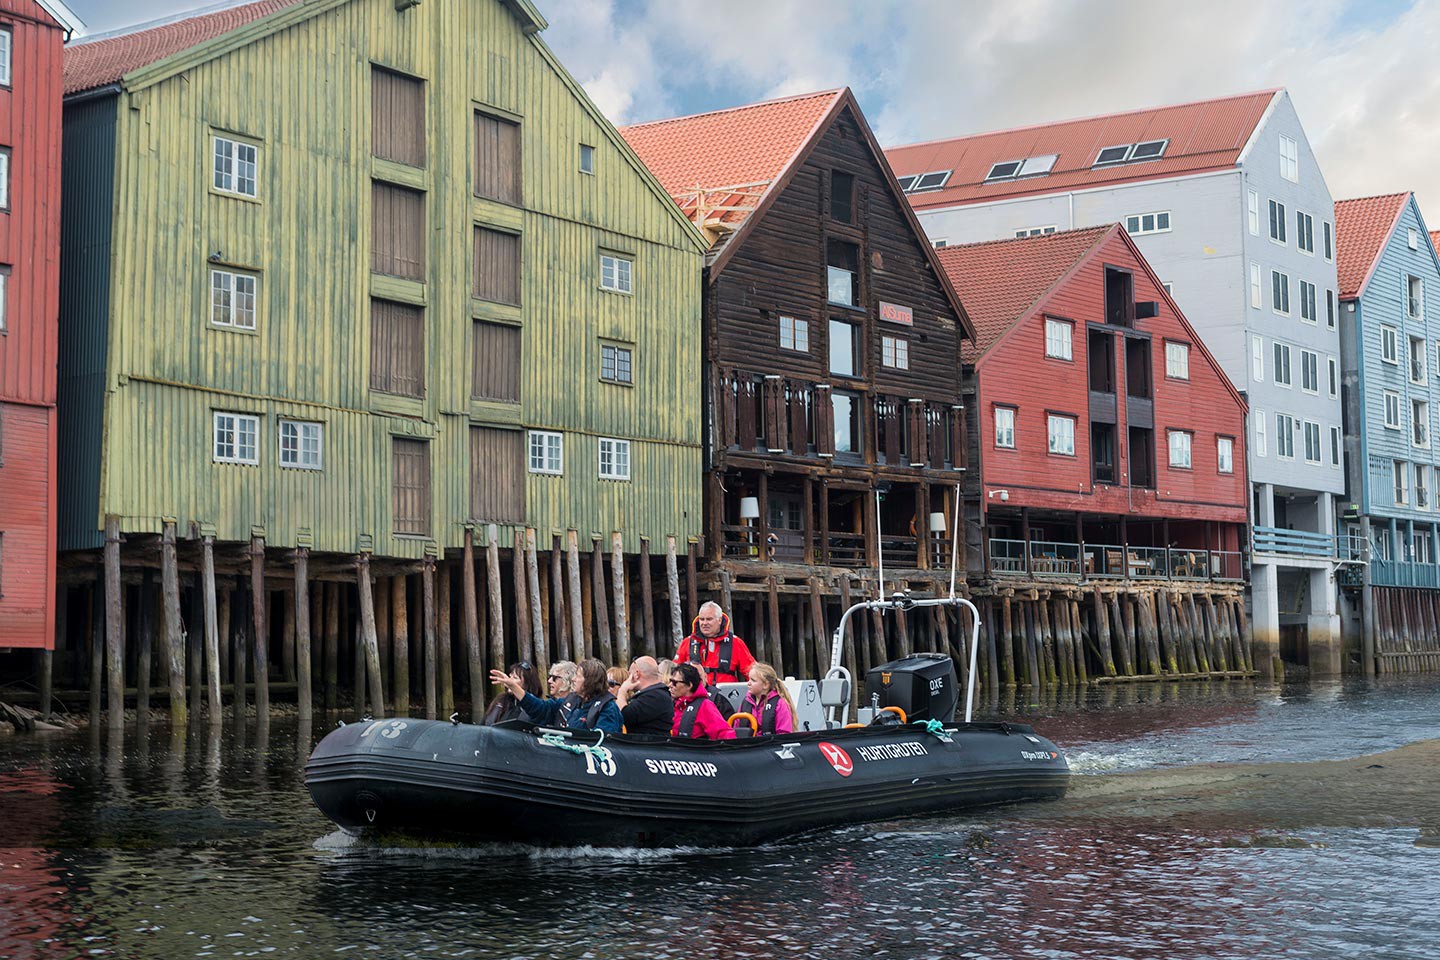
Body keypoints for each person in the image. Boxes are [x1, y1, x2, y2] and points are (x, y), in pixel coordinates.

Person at [490, 657, 622, 733]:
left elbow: (604, 743)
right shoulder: (569, 701)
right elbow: (541, 709)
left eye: (578, 676)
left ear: (590, 681)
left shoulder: (607, 708)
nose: (573, 679)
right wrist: (514, 686)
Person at [675, 601, 756, 687]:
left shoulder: (735, 643)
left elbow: (752, 672)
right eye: (702, 619)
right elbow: (674, 671)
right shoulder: (688, 642)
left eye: (709, 619)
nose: (704, 623)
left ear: (720, 620)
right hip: (696, 696)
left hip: (725, 694)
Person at [668, 662, 735, 741]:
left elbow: (724, 734)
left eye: (675, 683)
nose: (670, 685)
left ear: (689, 685)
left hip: (695, 751)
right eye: (670, 681)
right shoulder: (672, 704)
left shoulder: (705, 706)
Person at [615, 656, 673, 736]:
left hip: (650, 746)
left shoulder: (655, 696)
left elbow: (624, 716)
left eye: (629, 674)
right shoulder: (655, 694)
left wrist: (622, 690)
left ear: (637, 674)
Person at [741, 662, 796, 735]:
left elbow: (784, 733)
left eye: (753, 680)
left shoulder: (779, 704)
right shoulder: (746, 702)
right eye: (749, 679)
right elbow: (737, 727)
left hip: (770, 745)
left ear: (766, 685)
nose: (748, 683)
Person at [482, 660, 543, 725]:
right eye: (510, 677)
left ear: (527, 684)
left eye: (515, 678)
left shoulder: (536, 707)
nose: (509, 681)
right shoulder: (501, 700)